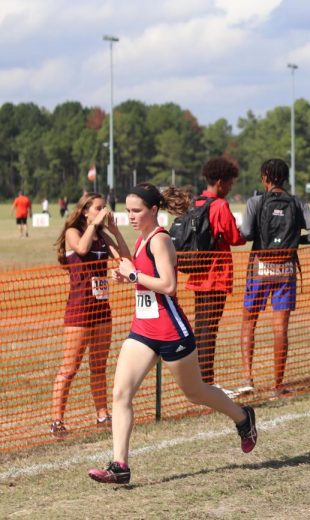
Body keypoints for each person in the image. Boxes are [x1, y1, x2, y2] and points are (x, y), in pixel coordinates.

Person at [88, 183, 257, 485]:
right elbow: (134, 264)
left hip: (170, 331)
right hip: (142, 330)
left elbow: (168, 285)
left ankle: (243, 418)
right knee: (120, 394)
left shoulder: (161, 240)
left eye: (136, 211)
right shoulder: (143, 240)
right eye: (127, 211)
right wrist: (117, 239)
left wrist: (134, 276)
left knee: (195, 393)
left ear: (154, 210)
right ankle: (120, 465)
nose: (131, 216)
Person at [240, 159, 310, 396]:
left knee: (249, 322)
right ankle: (278, 384)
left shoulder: (255, 202)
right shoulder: (297, 203)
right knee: (281, 328)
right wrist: (293, 242)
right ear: (285, 178)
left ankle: (248, 378)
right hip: (287, 269)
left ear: (265, 177)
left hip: (258, 269)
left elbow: (246, 233)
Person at [51, 193, 130, 438]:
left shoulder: (103, 237)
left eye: (104, 207)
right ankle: (57, 420)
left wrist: (115, 232)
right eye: (98, 208)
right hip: (79, 310)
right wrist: (94, 226)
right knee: (70, 367)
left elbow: (125, 259)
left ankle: (102, 414)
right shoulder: (73, 232)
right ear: (85, 211)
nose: (103, 211)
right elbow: (82, 248)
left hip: (102, 310)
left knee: (98, 366)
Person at [186, 157, 246, 392]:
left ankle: (200, 379)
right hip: (216, 276)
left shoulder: (196, 202)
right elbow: (234, 237)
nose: (231, 188)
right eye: (230, 184)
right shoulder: (220, 205)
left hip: (197, 275)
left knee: (200, 328)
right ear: (220, 182)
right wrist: (246, 232)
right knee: (209, 330)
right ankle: (207, 383)